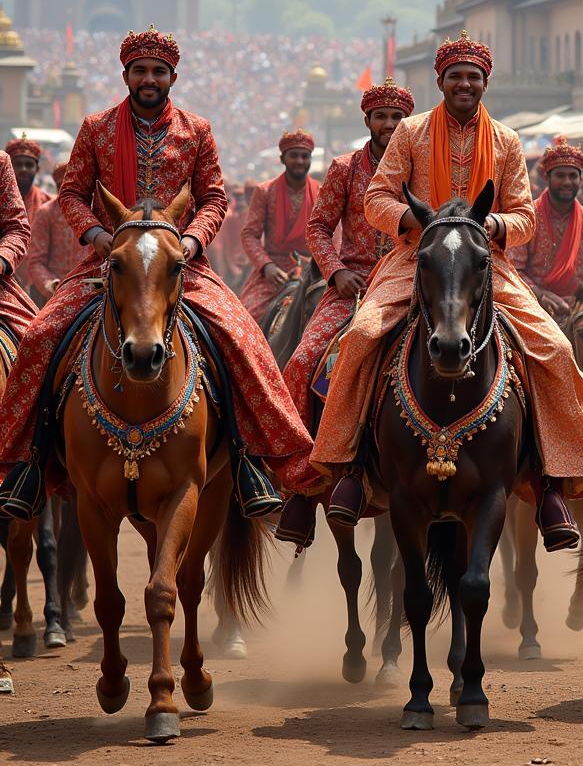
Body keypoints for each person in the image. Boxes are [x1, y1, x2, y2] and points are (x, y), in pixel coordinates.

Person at [0, 27, 319, 519]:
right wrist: (98, 237)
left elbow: (213, 196)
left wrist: (190, 241)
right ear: (126, 75)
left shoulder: (197, 131)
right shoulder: (96, 128)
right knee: (41, 334)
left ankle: (250, 459)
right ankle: (27, 463)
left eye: (158, 72)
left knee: (244, 337)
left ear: (173, 77)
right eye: (140, 71)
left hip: (179, 265)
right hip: (111, 264)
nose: (149, 79)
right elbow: (72, 194)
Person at [311, 32, 583, 551]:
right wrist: (419, 223)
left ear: (485, 83)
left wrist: (496, 228)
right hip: (417, 256)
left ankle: (552, 481)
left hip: (486, 263)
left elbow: (525, 216)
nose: (465, 84)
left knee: (555, 349)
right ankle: (349, 468)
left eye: (474, 77)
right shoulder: (412, 133)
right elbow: (378, 197)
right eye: (455, 76)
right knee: (361, 334)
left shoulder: (507, 141)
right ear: (440, 82)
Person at [276, 78, 414, 547]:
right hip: (350, 288)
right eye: (381, 117)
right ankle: (303, 485)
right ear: (368, 121)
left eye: (397, 118)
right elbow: (318, 227)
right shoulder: (344, 168)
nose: (390, 126)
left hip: (413, 282)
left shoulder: (425, 167)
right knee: (300, 362)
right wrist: (335, 272)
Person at [509, 136, 583, 325]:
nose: (567, 181)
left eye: (573, 176)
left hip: (581, 314)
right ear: (546, 177)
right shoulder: (527, 218)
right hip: (534, 309)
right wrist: (540, 295)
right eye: (560, 175)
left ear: (580, 179)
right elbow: (514, 269)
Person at [239, 129, 318, 321]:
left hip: (314, 272)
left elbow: (334, 237)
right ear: (282, 159)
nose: (299, 161)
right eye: (293, 155)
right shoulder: (264, 191)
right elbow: (250, 234)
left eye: (304, 156)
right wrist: (267, 266)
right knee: (248, 317)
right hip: (273, 274)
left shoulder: (323, 192)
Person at [25, 162, 83, 304]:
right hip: (51, 295)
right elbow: (36, 262)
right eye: (64, 188)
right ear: (58, 187)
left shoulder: (95, 212)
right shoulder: (46, 213)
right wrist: (52, 285)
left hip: (86, 292)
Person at [6, 135, 52, 293]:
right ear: (8, 168)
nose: (23, 169)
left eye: (28, 164)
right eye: (17, 164)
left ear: (37, 169)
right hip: (5, 279)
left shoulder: (49, 203)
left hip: (41, 288)